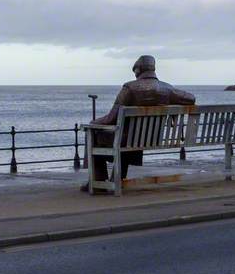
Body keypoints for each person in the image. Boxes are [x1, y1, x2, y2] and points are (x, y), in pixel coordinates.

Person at [83, 55, 195, 192]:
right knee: (126, 139)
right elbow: (191, 98)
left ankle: (98, 181)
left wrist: (93, 123)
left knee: (93, 133)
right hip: (149, 139)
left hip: (128, 140)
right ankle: (116, 179)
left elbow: (111, 119)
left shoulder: (129, 88)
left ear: (138, 70)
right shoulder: (167, 89)